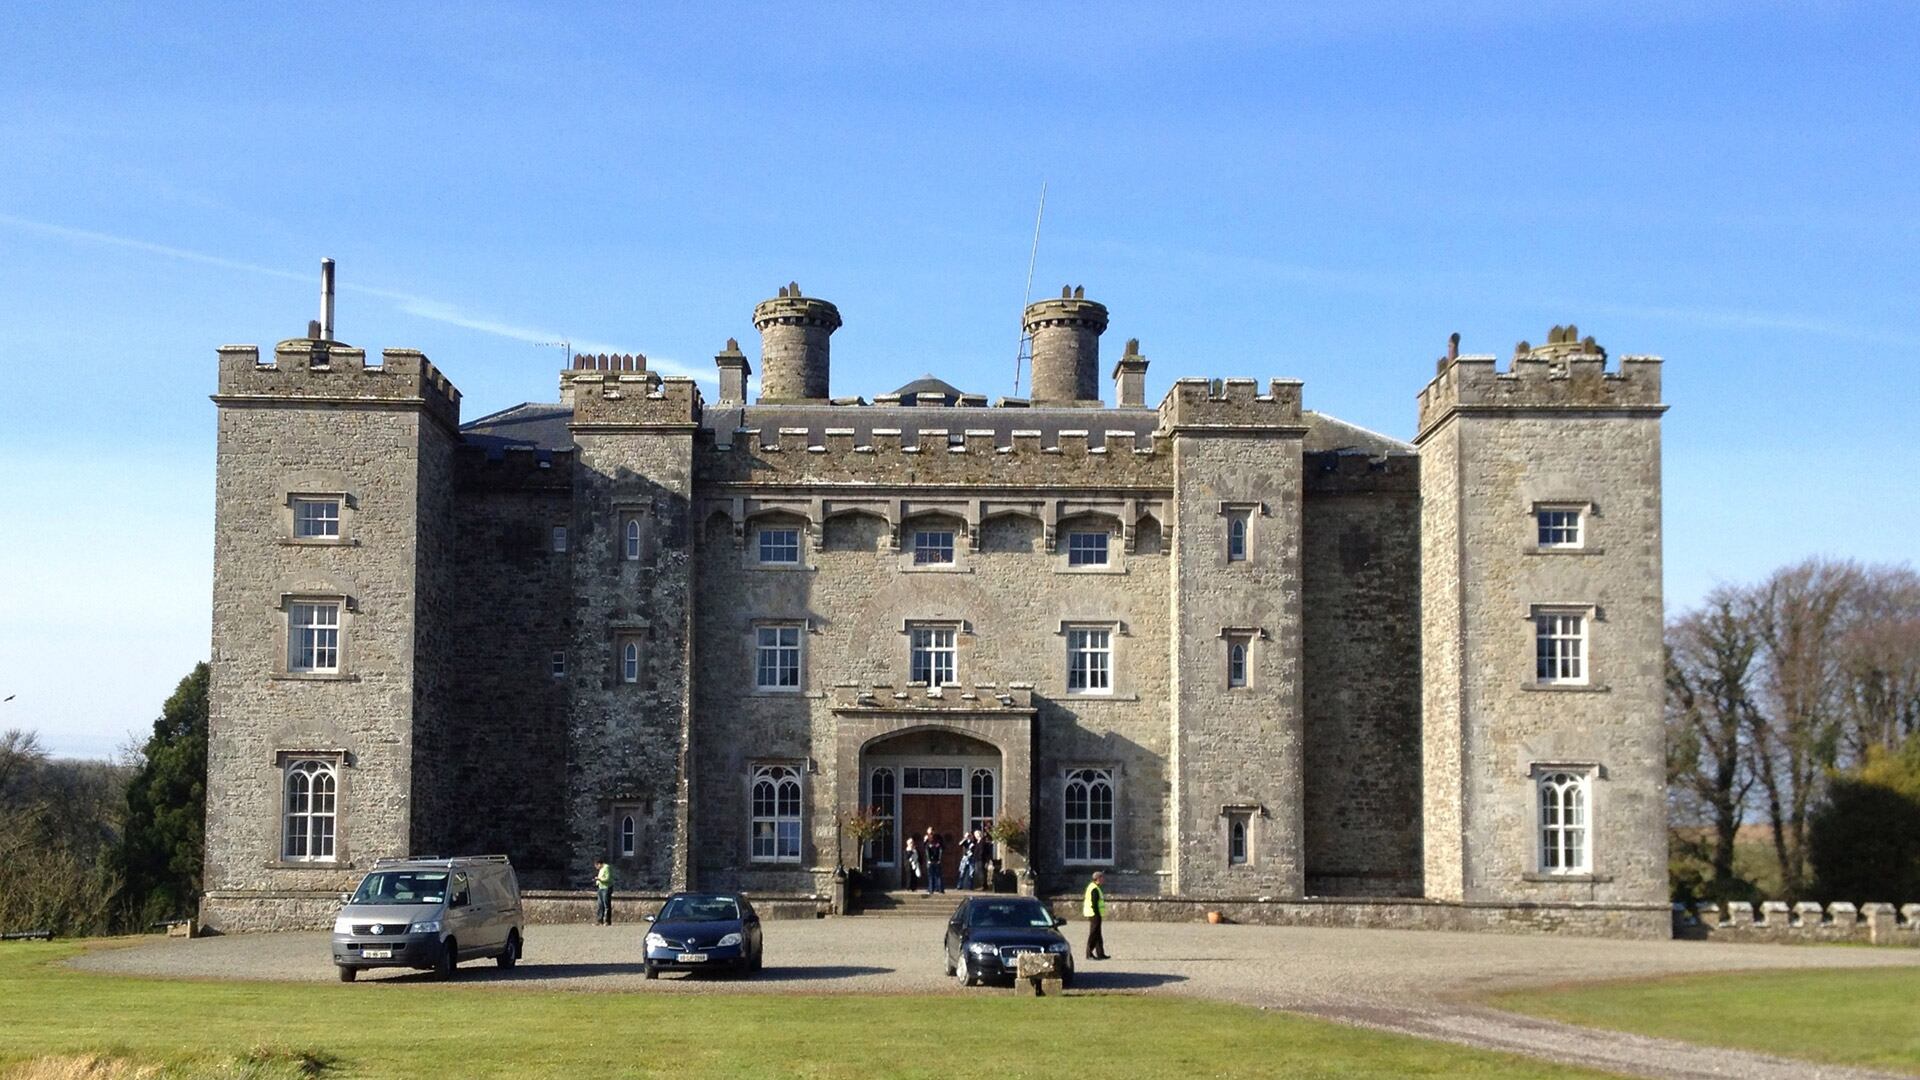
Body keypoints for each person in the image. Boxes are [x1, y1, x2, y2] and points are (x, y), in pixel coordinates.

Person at [1082, 870, 1109, 959]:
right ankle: (1088, 953)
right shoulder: (1094, 888)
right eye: (1102, 878)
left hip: (1095, 913)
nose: (1103, 879)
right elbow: (1094, 903)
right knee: (1093, 934)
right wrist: (1097, 914)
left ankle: (1100, 953)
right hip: (1094, 914)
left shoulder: (1094, 887)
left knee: (1098, 934)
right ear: (1098, 878)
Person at [925, 830, 946, 895]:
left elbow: (927, 852)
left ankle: (933, 890)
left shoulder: (930, 843)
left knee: (934, 876)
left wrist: (929, 860)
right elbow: (940, 851)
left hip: (933, 861)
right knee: (936, 876)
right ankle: (937, 890)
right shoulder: (934, 843)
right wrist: (939, 859)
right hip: (934, 861)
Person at [594, 857, 613, 925]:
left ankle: (607, 921)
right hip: (600, 888)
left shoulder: (606, 867)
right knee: (600, 904)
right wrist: (597, 882)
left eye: (596, 866)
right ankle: (600, 920)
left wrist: (599, 879)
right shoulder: (601, 869)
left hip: (606, 888)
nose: (596, 868)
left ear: (599, 864)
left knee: (606, 905)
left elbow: (607, 878)